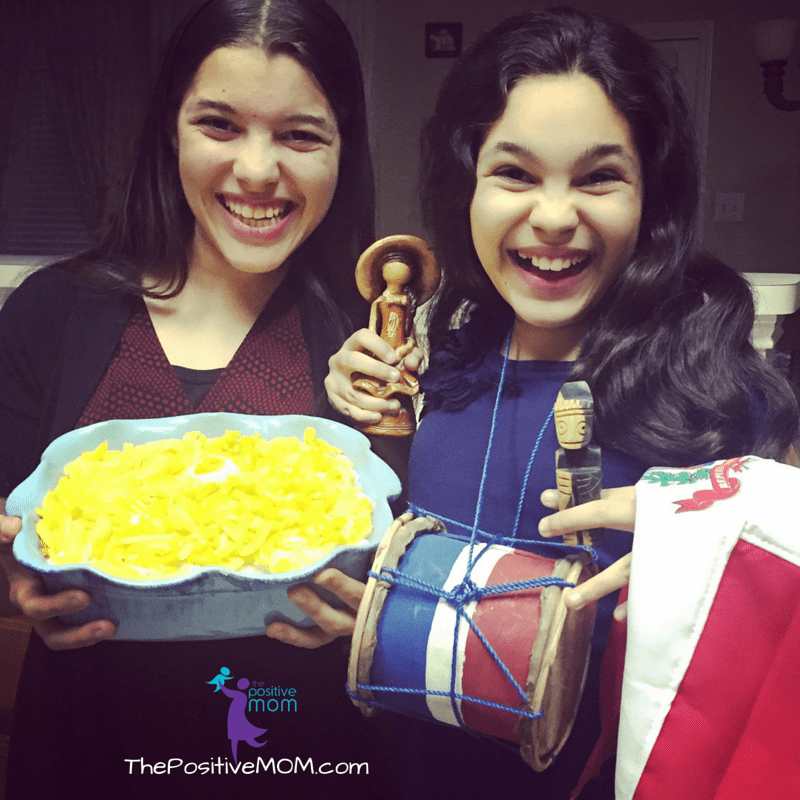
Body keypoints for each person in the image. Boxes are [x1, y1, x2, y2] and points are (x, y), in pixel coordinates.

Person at [325, 7, 799, 799]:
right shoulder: (448, 360)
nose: (552, 216)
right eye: (514, 172)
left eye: (599, 176)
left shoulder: (721, 397)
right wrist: (369, 426)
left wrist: (723, 547)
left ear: (653, 197)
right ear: (466, 186)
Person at [0, 0, 386, 797]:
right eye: (219, 124)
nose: (255, 170)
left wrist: (373, 624)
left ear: (344, 150)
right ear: (168, 130)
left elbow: (411, 565)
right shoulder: (48, 313)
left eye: (300, 134)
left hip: (294, 749)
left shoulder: (376, 348)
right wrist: (12, 577)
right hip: (84, 747)